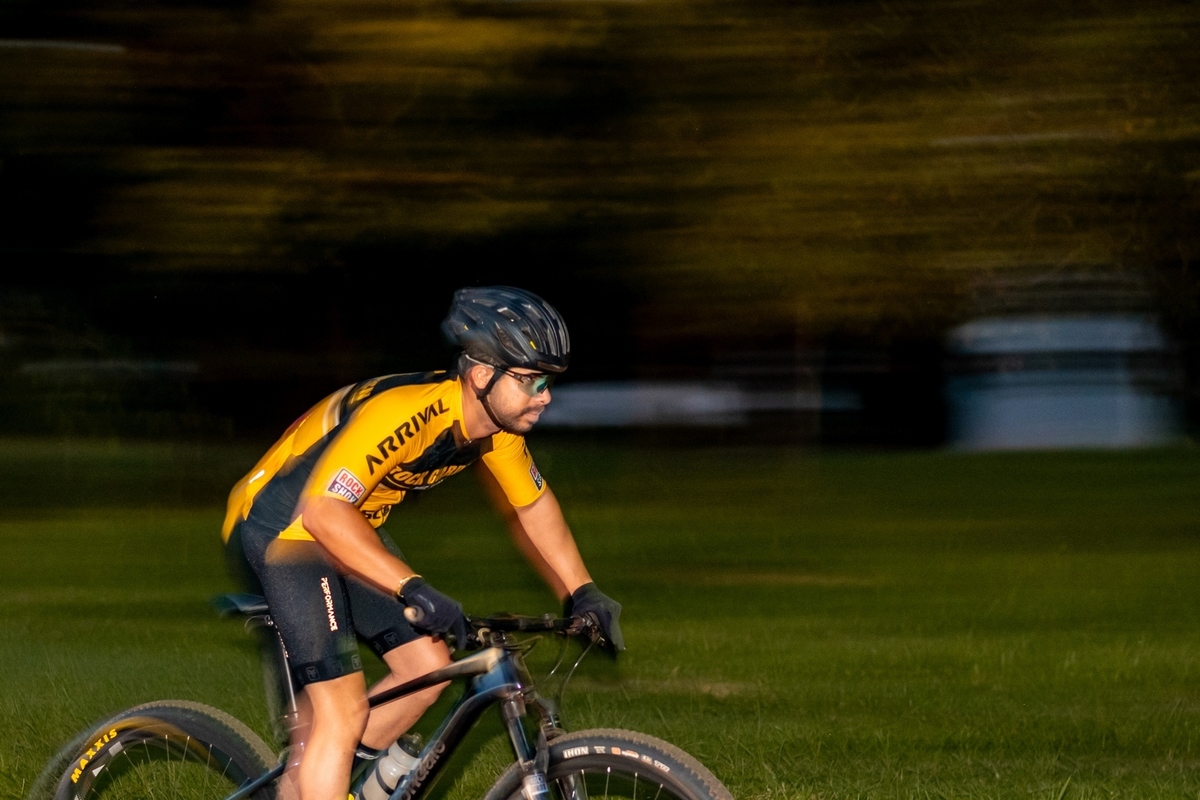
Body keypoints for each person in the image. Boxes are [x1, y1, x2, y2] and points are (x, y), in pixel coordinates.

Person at [221, 286, 623, 800]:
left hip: (346, 525)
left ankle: (315, 782)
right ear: (482, 376)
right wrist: (411, 586)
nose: (544, 396)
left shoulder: (498, 433)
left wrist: (582, 590)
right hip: (282, 527)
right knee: (341, 710)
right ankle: (323, 767)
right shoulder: (407, 414)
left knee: (429, 667)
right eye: (532, 380)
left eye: (549, 382)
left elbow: (533, 506)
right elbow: (322, 514)